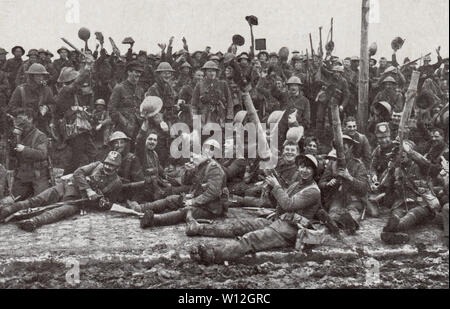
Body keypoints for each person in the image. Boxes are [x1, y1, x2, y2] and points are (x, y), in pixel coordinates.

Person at [188, 154, 321, 265]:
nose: (304, 170)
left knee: (251, 239)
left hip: (291, 231)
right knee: (242, 225)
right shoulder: (296, 185)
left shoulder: (313, 191)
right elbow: (280, 207)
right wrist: (270, 190)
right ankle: (199, 229)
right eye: (302, 166)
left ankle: (212, 254)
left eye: (309, 168)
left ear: (314, 171)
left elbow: (288, 205)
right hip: (280, 222)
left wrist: (276, 186)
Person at [3, 151, 123, 231]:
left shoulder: (116, 183)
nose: (107, 167)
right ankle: (7, 211)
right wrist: (88, 190)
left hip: (77, 202)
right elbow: (78, 172)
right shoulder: (97, 165)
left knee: (58, 212)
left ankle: (33, 222)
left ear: (117, 168)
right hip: (67, 186)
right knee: (37, 200)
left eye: (111, 165)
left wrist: (95, 202)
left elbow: (107, 203)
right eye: (107, 163)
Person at [135, 139, 227, 228]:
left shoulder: (214, 169)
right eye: (204, 148)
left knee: (185, 211)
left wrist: (193, 202)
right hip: (198, 201)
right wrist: (189, 171)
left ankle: (153, 220)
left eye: (210, 149)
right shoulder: (201, 165)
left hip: (210, 209)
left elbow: (212, 193)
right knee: (170, 199)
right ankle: (140, 208)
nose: (205, 151)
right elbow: (185, 182)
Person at [319, 135, 368, 234]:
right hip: (337, 198)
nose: (341, 148)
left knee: (352, 213)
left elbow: (363, 188)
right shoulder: (332, 164)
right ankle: (334, 224)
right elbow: (321, 183)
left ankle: (350, 224)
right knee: (333, 213)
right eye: (339, 146)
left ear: (351, 147)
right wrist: (328, 184)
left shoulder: (358, 165)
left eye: (345, 145)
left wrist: (349, 177)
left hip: (353, 199)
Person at [54, 65, 97, 175]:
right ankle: (65, 178)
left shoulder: (73, 93)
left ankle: (94, 174)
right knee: (76, 159)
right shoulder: (65, 91)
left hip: (81, 129)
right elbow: (77, 84)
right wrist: (86, 69)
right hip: (73, 130)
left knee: (92, 153)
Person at [7, 108, 50, 200]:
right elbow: (12, 155)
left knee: (41, 201)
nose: (18, 121)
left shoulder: (40, 136)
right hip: (22, 174)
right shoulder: (18, 134)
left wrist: (24, 149)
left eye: (21, 118)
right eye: (17, 119)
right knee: (14, 200)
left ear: (30, 119)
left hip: (37, 174)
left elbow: (42, 154)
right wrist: (13, 141)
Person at [6, 63, 55, 136]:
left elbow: (53, 104)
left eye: (42, 75)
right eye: (38, 75)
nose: (41, 78)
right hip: (25, 127)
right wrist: (26, 111)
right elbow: (11, 108)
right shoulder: (20, 89)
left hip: (42, 126)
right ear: (31, 76)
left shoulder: (46, 90)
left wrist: (47, 108)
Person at [191, 60, 234, 128]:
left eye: (214, 71)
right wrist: (195, 118)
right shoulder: (200, 85)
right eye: (209, 71)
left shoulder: (223, 84)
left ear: (216, 72)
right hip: (204, 116)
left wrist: (229, 116)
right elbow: (194, 103)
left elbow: (229, 101)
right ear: (205, 72)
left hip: (220, 116)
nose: (212, 73)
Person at [109, 61, 145, 139]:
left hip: (137, 127)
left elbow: (142, 108)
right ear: (129, 72)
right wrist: (124, 122)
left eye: (140, 72)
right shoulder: (119, 88)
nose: (138, 74)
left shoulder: (140, 90)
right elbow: (112, 109)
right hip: (122, 128)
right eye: (136, 72)